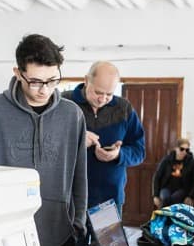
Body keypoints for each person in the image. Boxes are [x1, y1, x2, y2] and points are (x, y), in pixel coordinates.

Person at [0, 34, 87, 246]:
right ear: (18, 73)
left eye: (52, 80)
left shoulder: (73, 114)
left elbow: (80, 174)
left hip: (60, 235)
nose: (44, 89)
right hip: (6, 236)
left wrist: (79, 221)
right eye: (35, 82)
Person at [62, 61, 145, 214]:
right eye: (98, 92)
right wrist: (76, 139)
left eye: (109, 94)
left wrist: (118, 154)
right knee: (69, 239)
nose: (103, 99)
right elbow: (45, 144)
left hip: (109, 200)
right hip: (69, 198)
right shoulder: (63, 104)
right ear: (87, 80)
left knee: (107, 240)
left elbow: (139, 151)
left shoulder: (124, 108)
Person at [152, 138, 194, 208]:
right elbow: (157, 177)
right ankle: (169, 216)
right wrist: (155, 195)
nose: (184, 152)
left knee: (174, 198)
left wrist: (190, 196)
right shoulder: (167, 160)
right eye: (182, 149)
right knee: (165, 197)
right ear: (176, 148)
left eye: (187, 150)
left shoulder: (191, 162)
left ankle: (165, 216)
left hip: (183, 189)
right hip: (166, 187)